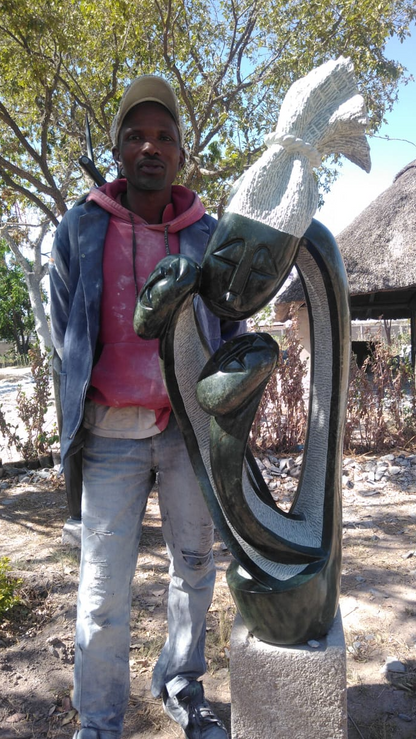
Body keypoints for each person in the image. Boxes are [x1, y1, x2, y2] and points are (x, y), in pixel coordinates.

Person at [49, 75, 241, 739]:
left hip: (189, 432)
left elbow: (231, 327)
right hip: (110, 434)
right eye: (136, 135)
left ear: (181, 154)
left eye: (164, 136)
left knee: (193, 568)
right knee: (102, 592)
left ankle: (182, 686)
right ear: (120, 150)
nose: (150, 147)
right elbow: (64, 331)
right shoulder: (80, 228)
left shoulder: (210, 236)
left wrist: (223, 417)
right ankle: (99, 722)